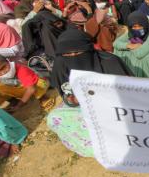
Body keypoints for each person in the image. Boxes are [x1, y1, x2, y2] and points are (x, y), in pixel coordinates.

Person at [48, 29, 132, 157]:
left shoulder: (110, 62)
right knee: (54, 118)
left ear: (89, 49)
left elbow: (127, 94)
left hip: (113, 107)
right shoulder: (61, 65)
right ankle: (90, 146)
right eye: (67, 54)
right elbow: (64, 91)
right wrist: (70, 100)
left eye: (77, 52)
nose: (73, 57)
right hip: (82, 107)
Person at [114, 11, 149, 78]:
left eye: (140, 26)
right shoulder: (131, 33)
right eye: (134, 26)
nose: (137, 29)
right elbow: (116, 43)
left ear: (145, 24)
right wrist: (129, 45)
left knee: (146, 57)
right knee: (119, 50)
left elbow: (139, 53)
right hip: (148, 60)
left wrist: (129, 46)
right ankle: (124, 73)